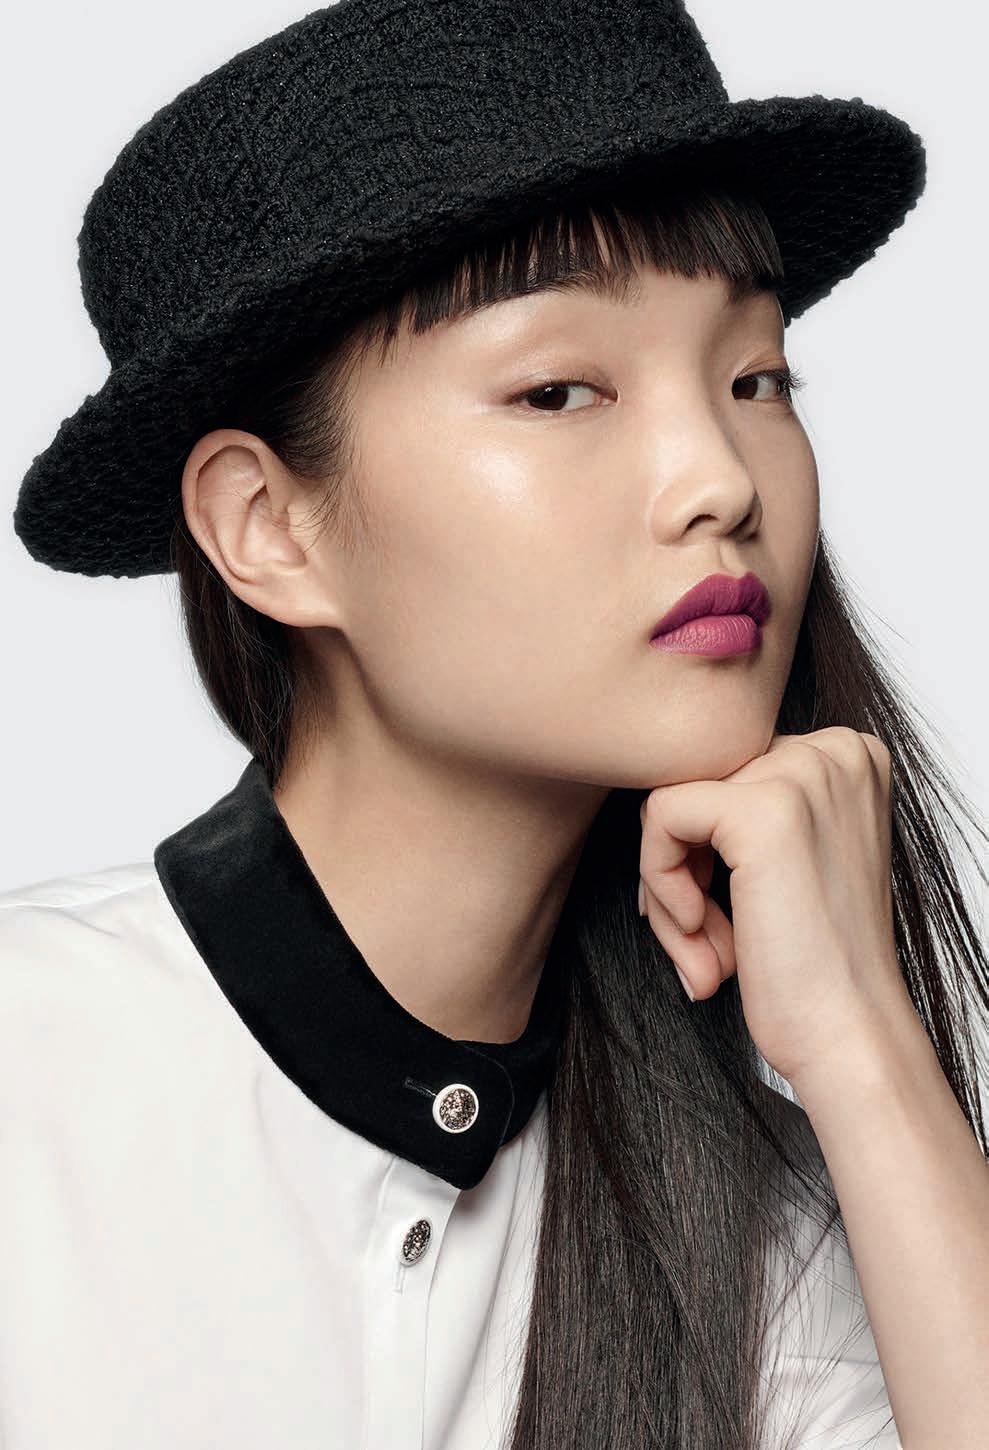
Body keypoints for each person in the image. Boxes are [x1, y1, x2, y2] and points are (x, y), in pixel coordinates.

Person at [5, 1, 988, 1447]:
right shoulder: (32, 1081)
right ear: (266, 525)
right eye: (559, 389)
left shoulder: (784, 1235)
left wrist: (864, 1043)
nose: (720, 479)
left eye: (756, 378)